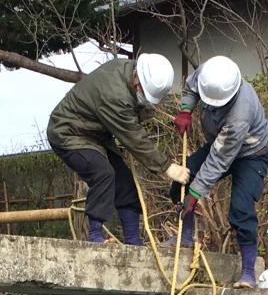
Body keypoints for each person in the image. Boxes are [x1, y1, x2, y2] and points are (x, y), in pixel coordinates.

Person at [46, 55, 189, 247]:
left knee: (125, 182)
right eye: (143, 92)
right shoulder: (114, 94)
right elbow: (135, 138)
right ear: (137, 79)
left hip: (96, 134)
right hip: (68, 133)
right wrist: (167, 167)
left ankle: (133, 242)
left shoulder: (127, 70)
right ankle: (95, 237)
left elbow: (134, 112)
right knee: (103, 173)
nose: (143, 97)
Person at [170, 56, 268, 288]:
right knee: (182, 178)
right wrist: (186, 109)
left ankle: (248, 272)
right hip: (219, 143)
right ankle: (185, 237)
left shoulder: (240, 114)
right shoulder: (211, 73)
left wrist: (196, 195)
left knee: (241, 208)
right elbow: (192, 86)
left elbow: (218, 161)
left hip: (251, 154)